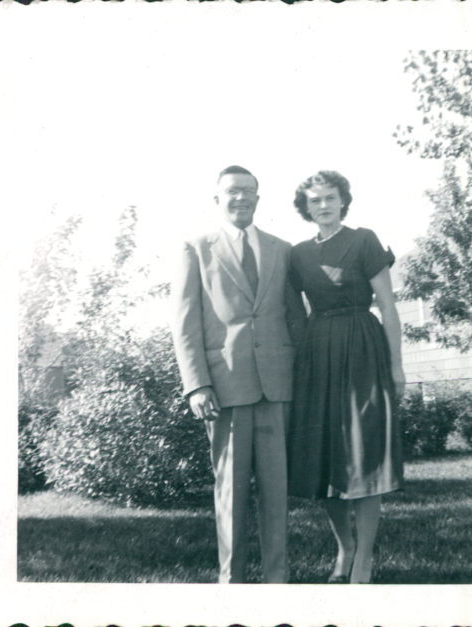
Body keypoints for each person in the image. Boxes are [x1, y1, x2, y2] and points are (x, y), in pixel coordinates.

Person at [170, 165, 304, 583]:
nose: (241, 198)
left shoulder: (282, 249)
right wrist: (197, 384)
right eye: (232, 191)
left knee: (276, 489)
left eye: (249, 191)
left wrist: (303, 377)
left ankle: (276, 580)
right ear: (217, 199)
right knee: (230, 491)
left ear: (258, 199)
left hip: (277, 384)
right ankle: (232, 583)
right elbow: (184, 321)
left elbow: (295, 317)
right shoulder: (197, 248)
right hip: (225, 387)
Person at [287, 170, 406, 584]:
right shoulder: (297, 254)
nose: (323, 205)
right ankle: (345, 548)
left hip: (363, 349)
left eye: (330, 197)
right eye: (315, 199)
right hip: (317, 355)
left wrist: (396, 366)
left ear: (343, 200)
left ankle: (365, 558)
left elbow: (388, 307)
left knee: (364, 455)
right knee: (325, 460)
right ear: (305, 207)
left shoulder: (364, 240)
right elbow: (290, 311)